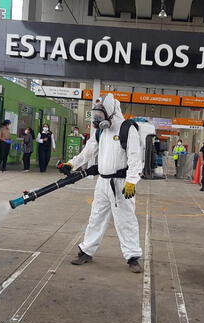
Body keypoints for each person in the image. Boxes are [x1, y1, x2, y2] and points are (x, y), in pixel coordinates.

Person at [60, 94, 143, 273]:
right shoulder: (101, 131)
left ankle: (133, 257)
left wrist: (131, 181)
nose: (98, 120)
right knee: (96, 217)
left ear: (111, 113)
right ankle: (86, 251)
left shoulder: (128, 129)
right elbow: (88, 150)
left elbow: (136, 157)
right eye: (96, 116)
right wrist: (72, 163)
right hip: (102, 183)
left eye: (100, 116)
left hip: (121, 184)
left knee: (126, 220)